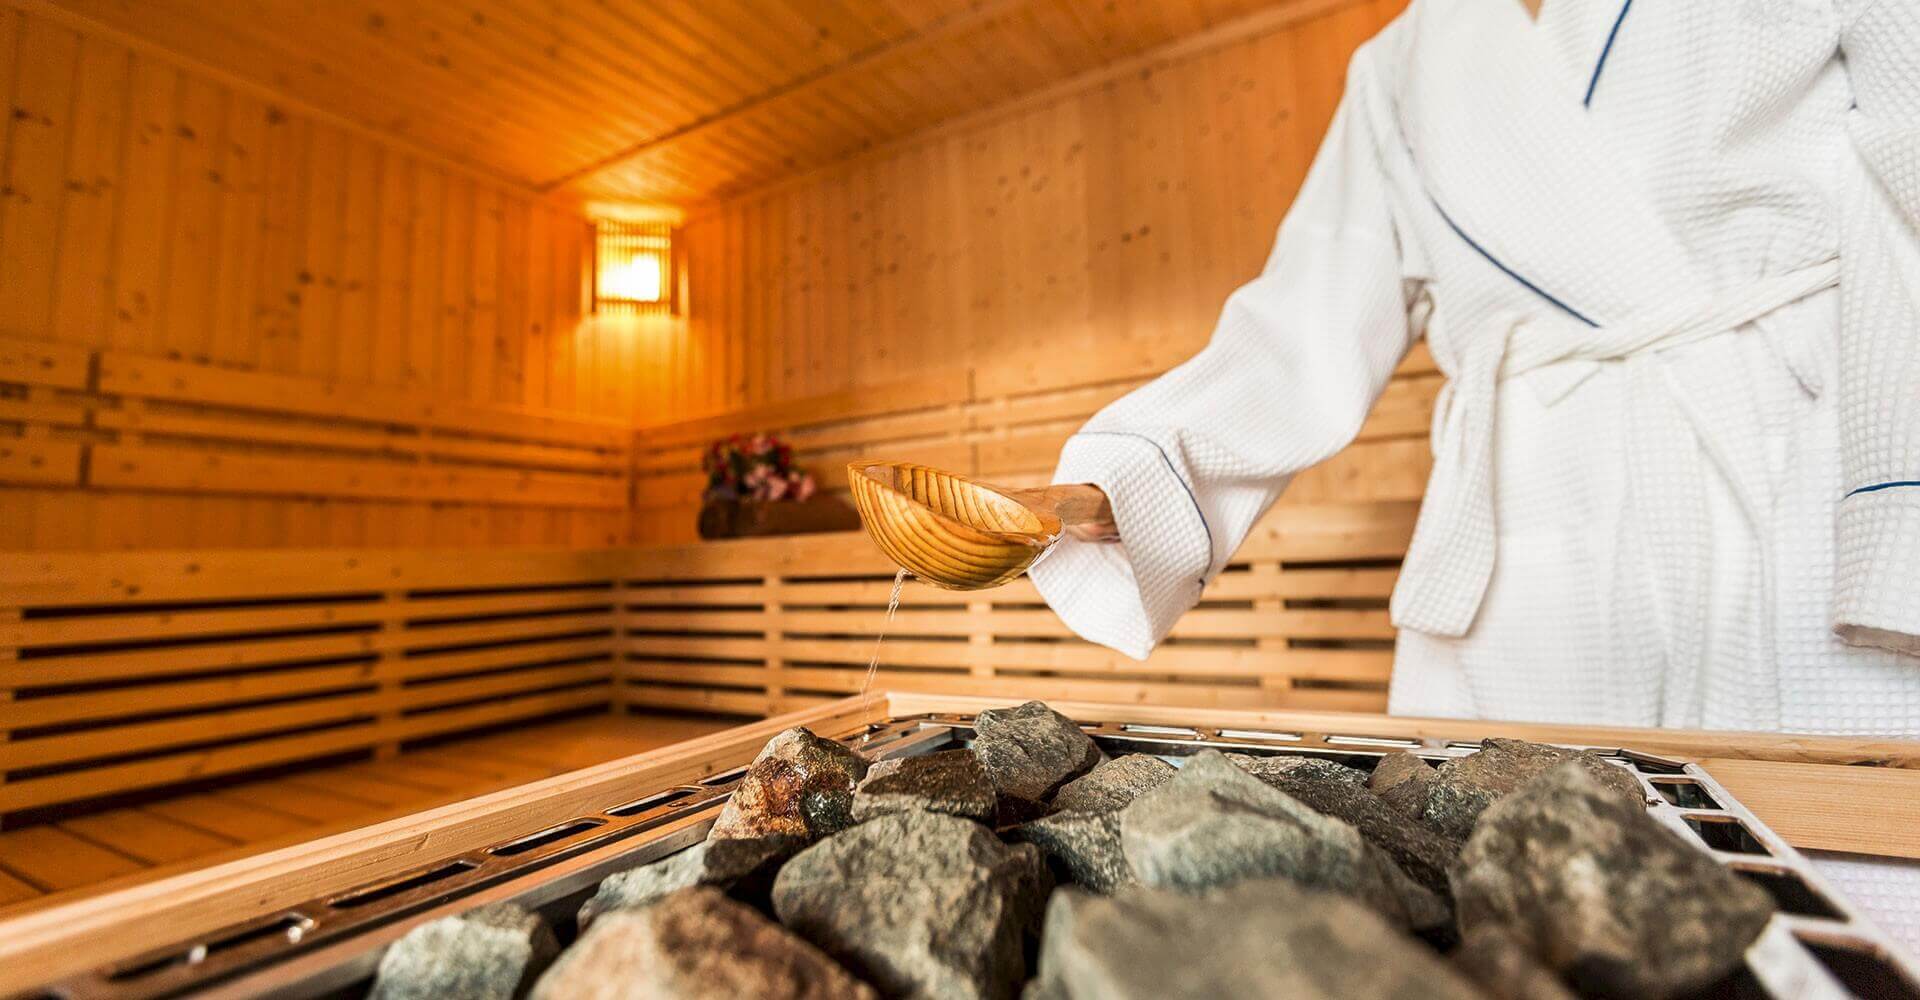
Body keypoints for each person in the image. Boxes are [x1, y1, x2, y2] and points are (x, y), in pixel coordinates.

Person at [1028, 0, 1920, 949]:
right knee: (1510, 908)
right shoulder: (1408, 60)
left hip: (1792, 470)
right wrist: (1133, 482)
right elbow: (1304, 325)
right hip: (1525, 532)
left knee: (1831, 912)